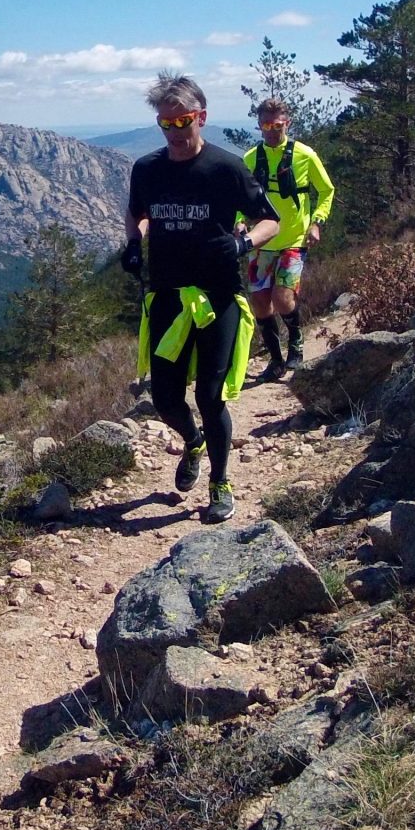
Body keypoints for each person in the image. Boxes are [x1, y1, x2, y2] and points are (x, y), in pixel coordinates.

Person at [124, 73, 281, 523]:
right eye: (165, 123)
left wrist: (243, 245)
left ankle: (220, 482)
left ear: (202, 118)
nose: (175, 131)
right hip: (168, 295)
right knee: (167, 399)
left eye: (183, 121)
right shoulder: (148, 169)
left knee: (212, 397)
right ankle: (192, 442)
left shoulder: (226, 167)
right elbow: (138, 212)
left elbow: (267, 220)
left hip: (219, 294)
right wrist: (135, 242)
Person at [240, 97, 336, 382]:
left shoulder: (305, 155)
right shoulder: (249, 158)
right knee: (259, 302)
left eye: (277, 124)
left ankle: (296, 345)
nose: (272, 130)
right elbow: (238, 199)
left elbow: (326, 190)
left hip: (294, 239)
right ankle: (275, 359)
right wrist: (239, 223)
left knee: (282, 299)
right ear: (259, 125)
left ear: (287, 123)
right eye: (266, 124)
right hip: (260, 242)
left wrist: (317, 222)